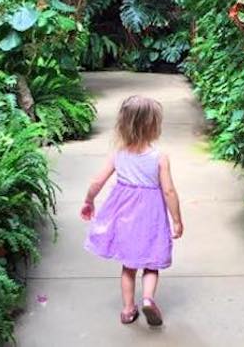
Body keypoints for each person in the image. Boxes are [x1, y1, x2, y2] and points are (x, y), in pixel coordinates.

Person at [81, 95, 183, 327]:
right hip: (151, 216)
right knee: (151, 263)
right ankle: (147, 299)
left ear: (123, 124)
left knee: (129, 266)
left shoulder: (118, 154)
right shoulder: (159, 157)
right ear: (154, 125)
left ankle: (128, 310)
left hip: (125, 216)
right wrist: (176, 220)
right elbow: (168, 191)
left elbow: (97, 181)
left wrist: (89, 200)